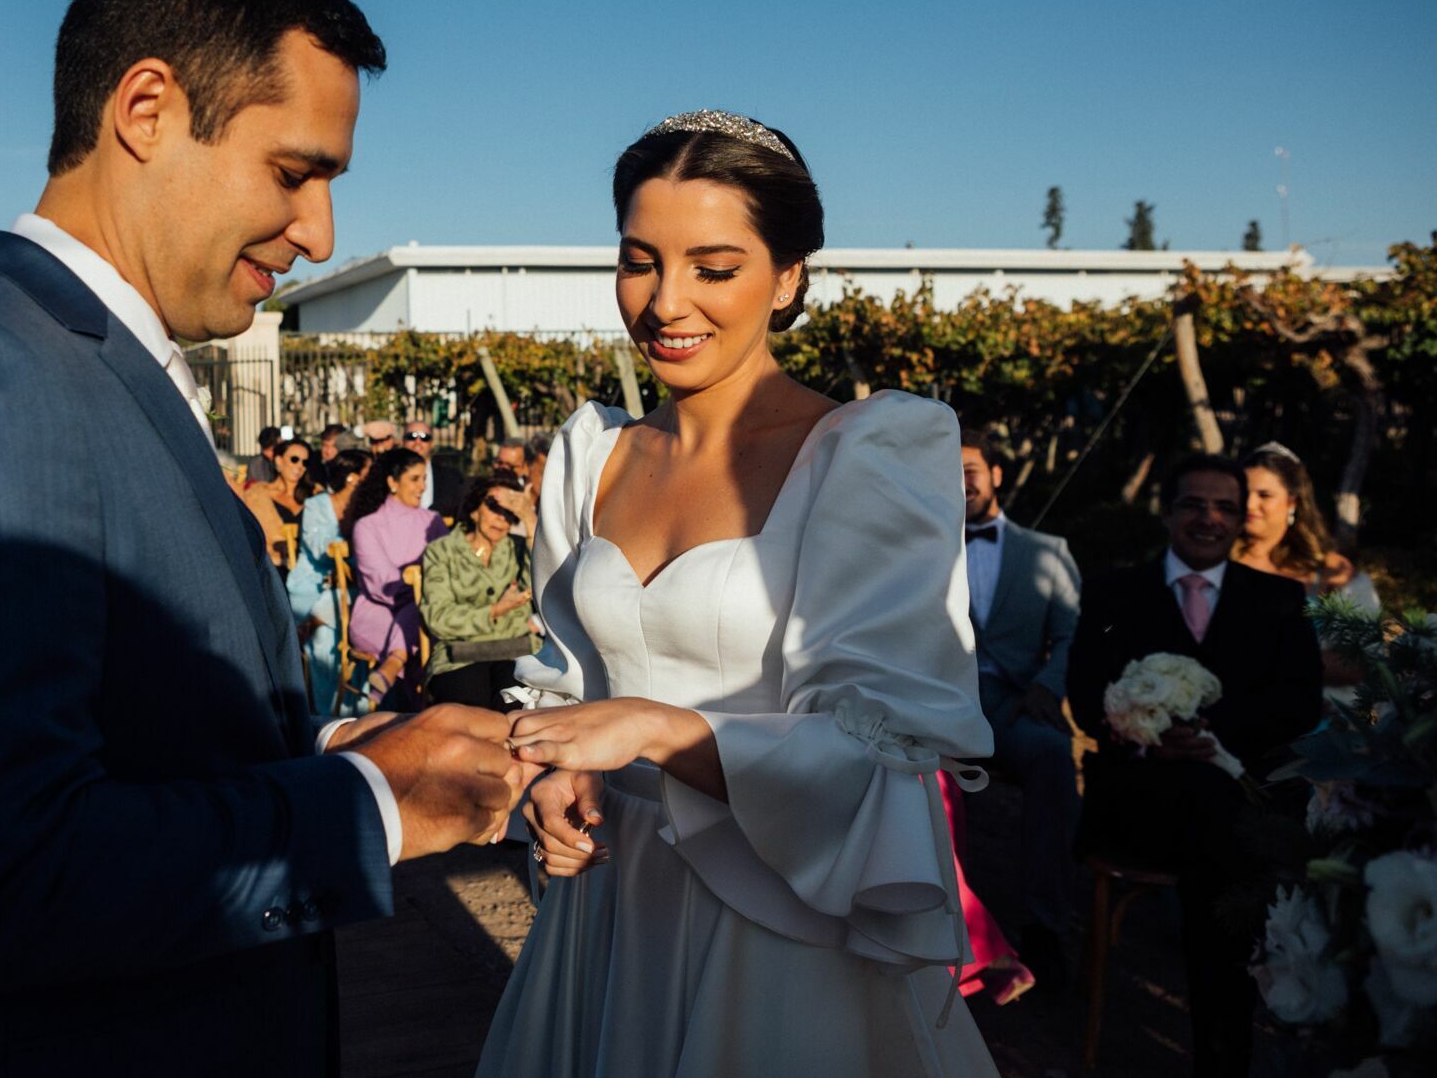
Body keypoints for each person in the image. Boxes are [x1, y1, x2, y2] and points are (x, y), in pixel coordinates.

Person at [0, 0, 525, 1077]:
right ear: (145, 110)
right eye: (293, 172)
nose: (320, 232)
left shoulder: (95, 366)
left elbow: (141, 734)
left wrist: (343, 742)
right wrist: (371, 803)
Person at [482, 111, 997, 1076]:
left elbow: (878, 749)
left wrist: (654, 729)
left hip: (775, 921)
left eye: (713, 268)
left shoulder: (866, 457)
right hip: (606, 905)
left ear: (789, 276)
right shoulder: (592, 456)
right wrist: (559, 774)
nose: (665, 303)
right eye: (639, 262)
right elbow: (570, 683)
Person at [1066, 453, 1322, 1076]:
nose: (1209, 519)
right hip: (1139, 800)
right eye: (1194, 504)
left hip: (1234, 798)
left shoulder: (1281, 599)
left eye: (1225, 508)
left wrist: (1214, 732)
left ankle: (1229, 1045)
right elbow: (1086, 690)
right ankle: (1224, 1053)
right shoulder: (1112, 591)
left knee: (1235, 833)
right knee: (1230, 855)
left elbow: (1300, 702)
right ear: (1166, 511)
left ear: (1239, 519)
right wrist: (1148, 737)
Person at [958, 428, 1082, 987]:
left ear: (996, 474)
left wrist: (1046, 687)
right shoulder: (917, 550)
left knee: (1053, 754)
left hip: (1015, 706)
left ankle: (1044, 925)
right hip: (940, 704)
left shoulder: (1047, 553)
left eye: (969, 471)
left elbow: (1073, 634)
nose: (959, 483)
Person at [1233, 441, 1380, 698]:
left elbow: (1362, 660)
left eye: (1264, 495)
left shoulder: (1330, 571)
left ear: (1293, 502)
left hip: (1318, 715)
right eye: (1243, 493)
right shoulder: (1215, 562)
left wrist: (1272, 660)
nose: (1250, 504)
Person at [344, 448, 449, 707]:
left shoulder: (433, 521)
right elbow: (382, 582)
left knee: (425, 615)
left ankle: (394, 663)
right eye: (414, 479)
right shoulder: (368, 526)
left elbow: (449, 569)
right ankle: (418, 709)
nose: (423, 487)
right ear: (392, 482)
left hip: (426, 609)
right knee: (423, 623)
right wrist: (420, 586)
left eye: (424, 478)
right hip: (378, 614)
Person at [419, 478, 536, 711]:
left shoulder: (519, 548)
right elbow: (438, 618)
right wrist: (494, 611)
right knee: (470, 715)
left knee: (519, 708)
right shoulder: (441, 552)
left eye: (510, 511)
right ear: (474, 510)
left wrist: (530, 519)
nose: (501, 518)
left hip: (516, 650)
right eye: (494, 507)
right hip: (460, 655)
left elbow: (541, 589)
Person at [285, 447, 373, 714]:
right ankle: (331, 713)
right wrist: (349, 550)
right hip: (312, 587)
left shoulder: (367, 508)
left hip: (350, 589)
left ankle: (358, 707)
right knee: (325, 635)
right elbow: (319, 548)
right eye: (369, 473)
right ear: (353, 477)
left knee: (359, 623)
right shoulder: (317, 505)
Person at [242, 434, 310, 569]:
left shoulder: (315, 496)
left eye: (305, 462)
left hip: (309, 571)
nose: (300, 466)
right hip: (273, 569)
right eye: (294, 459)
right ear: (278, 461)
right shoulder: (256, 495)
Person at [403, 422, 465, 517]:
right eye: (412, 437)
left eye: (424, 438)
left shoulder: (451, 478)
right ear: (403, 441)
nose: (418, 442)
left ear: (431, 444)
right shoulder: (389, 476)